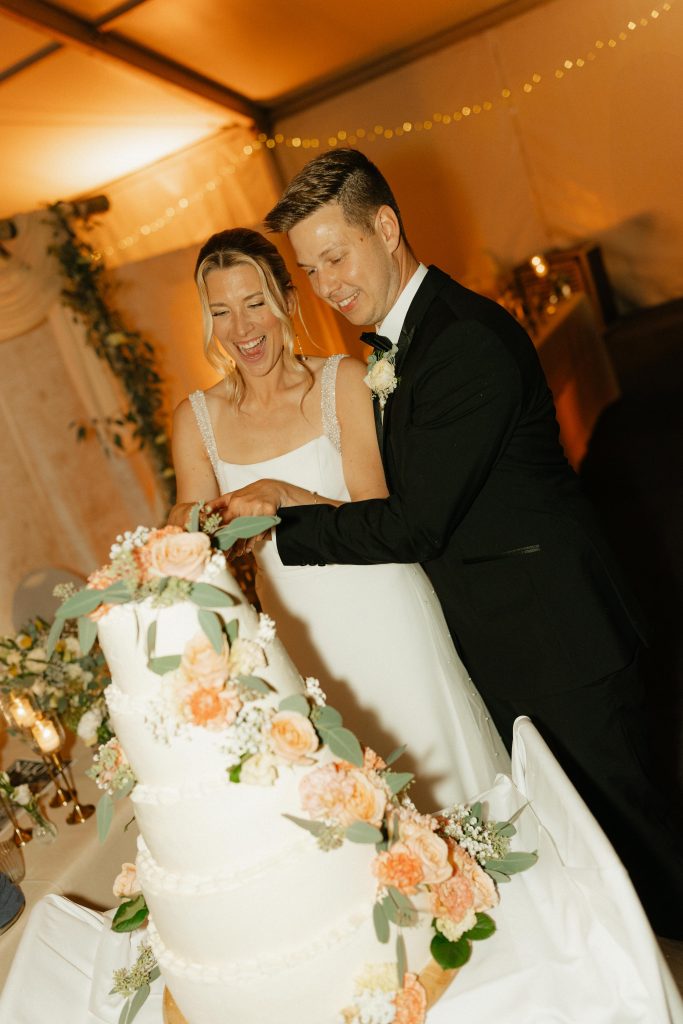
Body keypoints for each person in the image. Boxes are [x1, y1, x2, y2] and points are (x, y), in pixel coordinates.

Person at [213, 149, 683, 937]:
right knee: (602, 862)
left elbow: (416, 523)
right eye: (310, 269)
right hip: (513, 637)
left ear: (385, 228)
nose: (326, 285)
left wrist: (279, 519)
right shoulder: (406, 342)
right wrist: (296, 495)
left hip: (559, 641)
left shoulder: (461, 341)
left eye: (336, 257)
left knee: (644, 853)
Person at [169, 226, 508, 811]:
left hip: (387, 612)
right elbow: (193, 525)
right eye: (221, 312)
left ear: (287, 300)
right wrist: (189, 523)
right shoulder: (195, 418)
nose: (242, 329)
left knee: (445, 784)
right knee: (356, 808)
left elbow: (380, 517)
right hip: (299, 636)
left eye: (255, 304)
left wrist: (281, 493)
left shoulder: (342, 380)